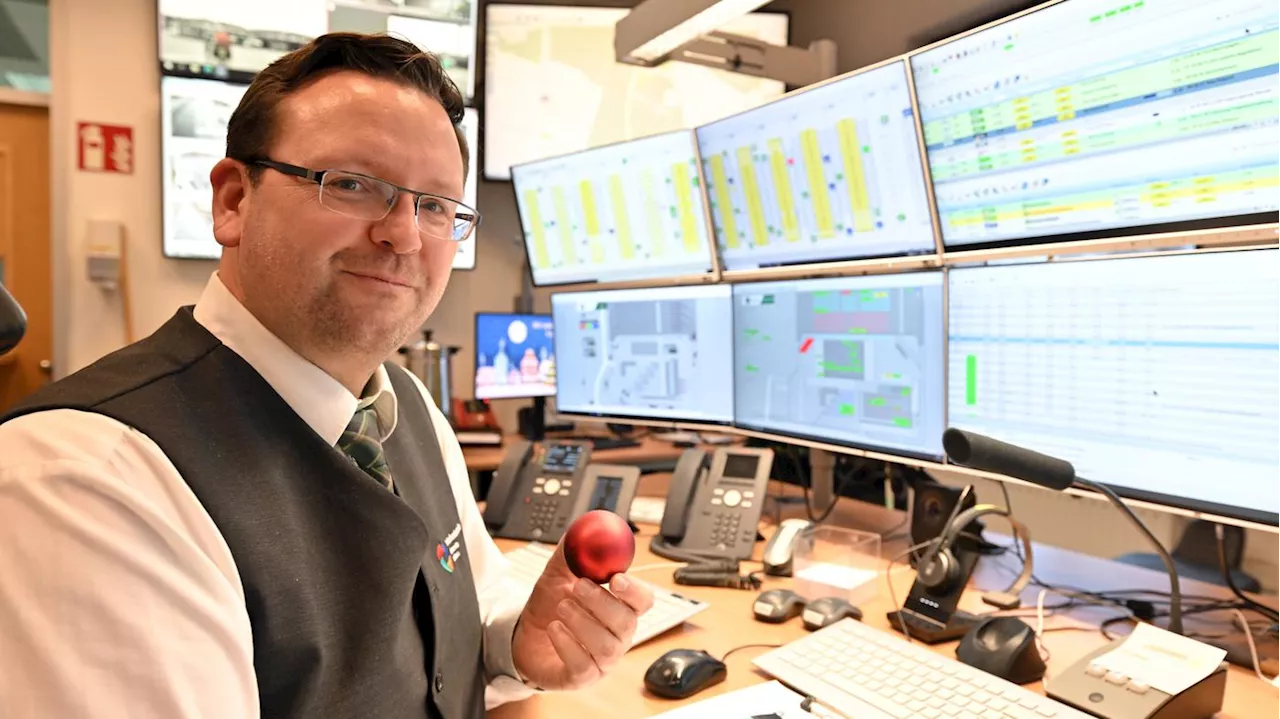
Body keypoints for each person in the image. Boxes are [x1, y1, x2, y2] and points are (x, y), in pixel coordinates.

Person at [0, 33, 652, 718]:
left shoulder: (408, 406)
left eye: (435, 206)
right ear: (232, 201)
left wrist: (519, 644)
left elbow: (468, 603)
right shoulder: (83, 483)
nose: (403, 234)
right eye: (351, 184)